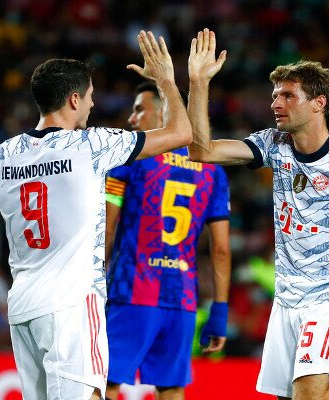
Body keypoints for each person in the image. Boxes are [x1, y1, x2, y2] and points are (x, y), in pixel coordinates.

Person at [0, 30, 192, 400]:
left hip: (23, 310)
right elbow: (181, 133)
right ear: (74, 98)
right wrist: (164, 79)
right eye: (91, 98)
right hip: (72, 306)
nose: (93, 107)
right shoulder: (92, 145)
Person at [186, 29, 329, 400]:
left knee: (311, 392)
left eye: (287, 95)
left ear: (318, 103)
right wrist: (198, 82)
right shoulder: (274, 144)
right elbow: (201, 151)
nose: (276, 103)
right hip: (286, 301)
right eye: (274, 95)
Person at [104, 81, 231, 400]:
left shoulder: (129, 158)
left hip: (132, 290)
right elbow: (221, 249)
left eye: (139, 109)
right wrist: (220, 309)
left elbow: (106, 226)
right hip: (182, 298)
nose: (132, 119)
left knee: (103, 382)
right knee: (172, 388)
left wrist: (91, 284)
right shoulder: (212, 170)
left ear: (164, 113)